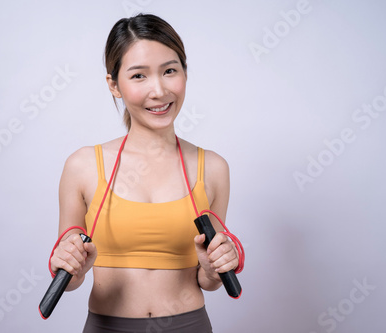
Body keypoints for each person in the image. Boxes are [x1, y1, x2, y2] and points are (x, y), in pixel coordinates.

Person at [48, 13, 242, 332]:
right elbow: (68, 280)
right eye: (139, 76)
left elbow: (209, 281)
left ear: (185, 73)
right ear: (114, 84)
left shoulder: (214, 168)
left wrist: (212, 268)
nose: (159, 90)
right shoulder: (82, 166)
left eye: (169, 71)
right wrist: (71, 268)